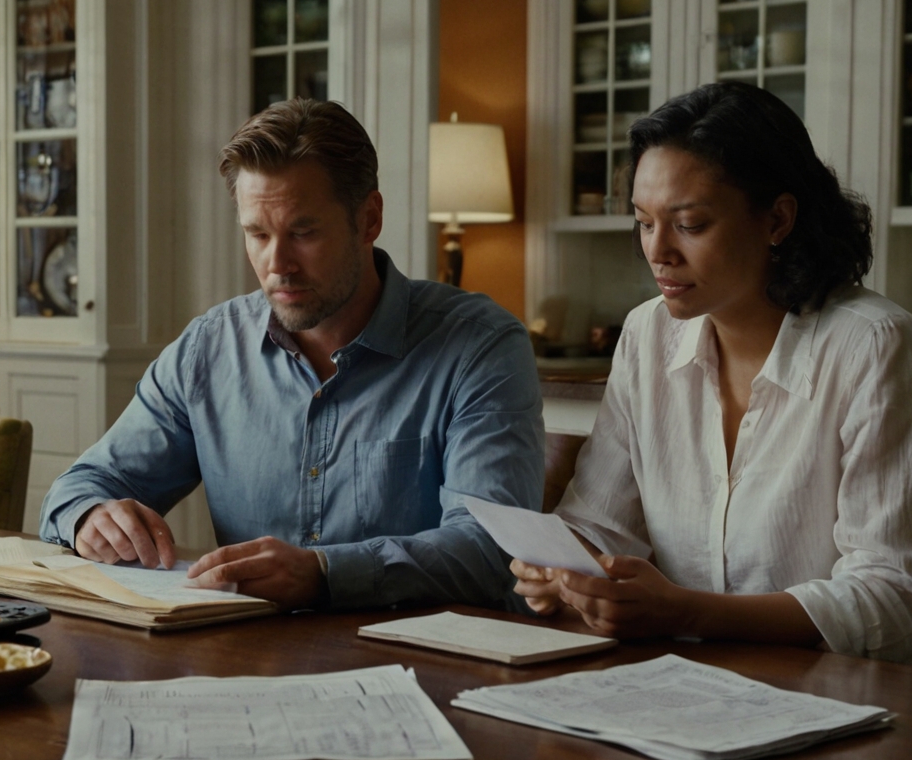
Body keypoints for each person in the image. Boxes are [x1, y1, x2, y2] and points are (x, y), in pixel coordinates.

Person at [513, 82, 912, 681]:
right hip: (719, 686)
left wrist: (690, 611)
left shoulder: (876, 347)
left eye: (689, 224)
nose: (658, 251)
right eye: (644, 223)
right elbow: (598, 522)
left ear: (777, 218)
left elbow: (895, 598)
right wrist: (567, 572)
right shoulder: (646, 336)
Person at [41, 98, 544, 612]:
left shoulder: (480, 347)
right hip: (247, 658)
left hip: (425, 665)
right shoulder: (208, 349)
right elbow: (81, 485)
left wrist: (325, 573)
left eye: (303, 233)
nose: (276, 264)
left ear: (369, 219)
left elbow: (491, 548)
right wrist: (89, 516)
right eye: (257, 234)